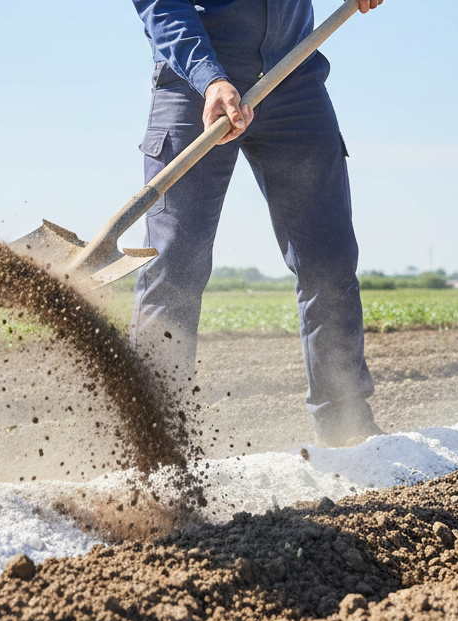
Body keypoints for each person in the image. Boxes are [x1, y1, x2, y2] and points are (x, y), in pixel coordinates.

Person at [129, 0, 386, 447]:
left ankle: (346, 426)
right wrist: (210, 77)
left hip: (293, 74)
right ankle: (156, 442)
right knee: (176, 264)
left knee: (328, 259)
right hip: (197, 82)